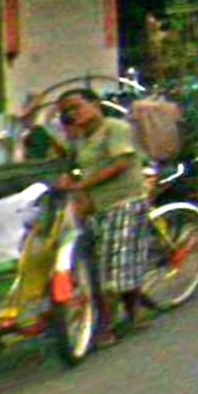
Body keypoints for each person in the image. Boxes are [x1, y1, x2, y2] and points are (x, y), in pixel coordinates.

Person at [55, 88, 149, 344]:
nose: (73, 114)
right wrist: (69, 179)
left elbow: (120, 164)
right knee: (109, 262)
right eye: (67, 112)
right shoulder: (81, 139)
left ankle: (107, 326)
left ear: (95, 104)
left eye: (76, 107)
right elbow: (75, 168)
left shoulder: (114, 128)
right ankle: (134, 313)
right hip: (99, 207)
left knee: (114, 266)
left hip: (125, 201)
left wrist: (83, 185)